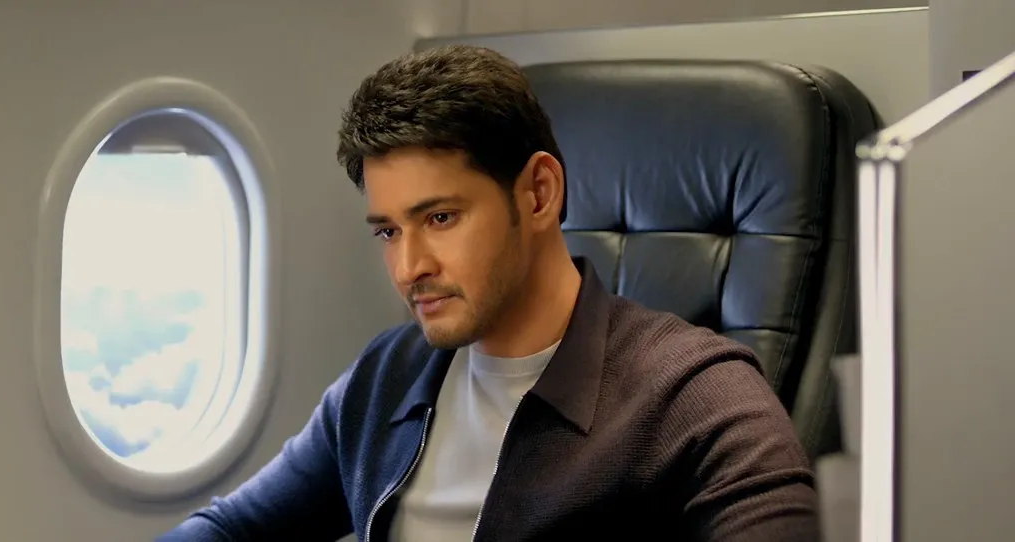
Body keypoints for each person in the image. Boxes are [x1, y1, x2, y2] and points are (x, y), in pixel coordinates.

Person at [160, 44, 818, 542]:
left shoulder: (698, 400)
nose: (408, 267)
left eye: (440, 218)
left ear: (538, 194)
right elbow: (230, 528)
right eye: (388, 231)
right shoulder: (387, 378)